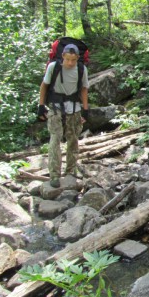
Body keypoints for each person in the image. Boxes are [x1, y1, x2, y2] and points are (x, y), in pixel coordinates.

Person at [37, 43, 89, 188]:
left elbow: (84, 89)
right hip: (55, 107)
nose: (70, 63)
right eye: (67, 60)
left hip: (74, 107)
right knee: (55, 138)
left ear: (78, 58)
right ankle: (54, 174)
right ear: (62, 57)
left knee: (73, 139)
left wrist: (85, 109)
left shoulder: (81, 69)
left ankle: (71, 171)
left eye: (73, 60)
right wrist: (41, 106)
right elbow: (44, 85)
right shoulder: (53, 67)